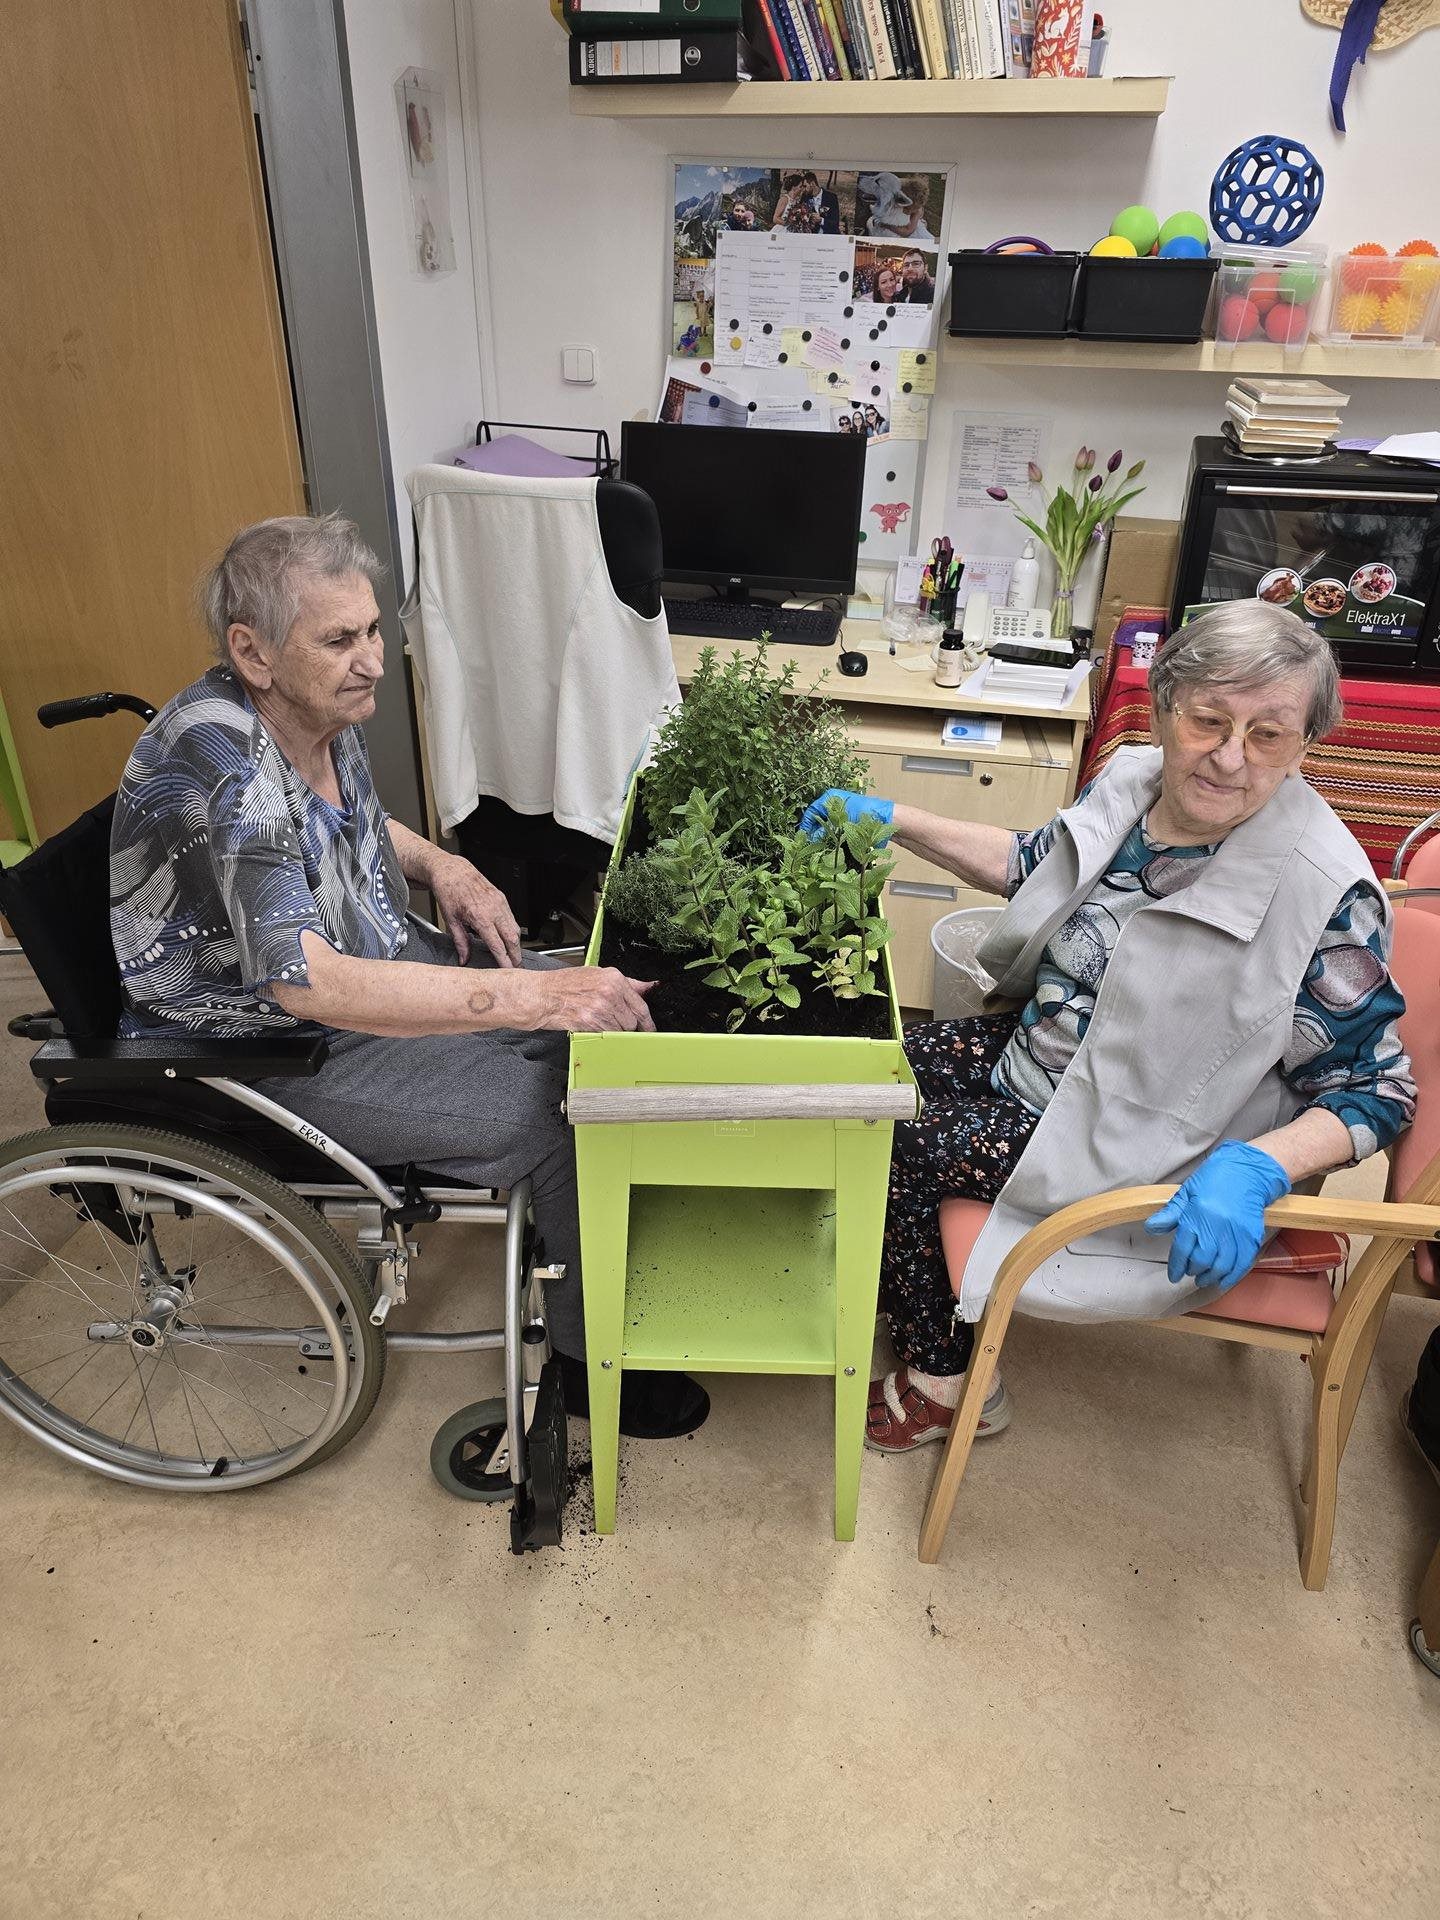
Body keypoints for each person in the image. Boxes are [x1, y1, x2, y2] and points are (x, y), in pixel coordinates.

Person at [109, 514, 710, 1440]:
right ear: (252, 652)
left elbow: (347, 823)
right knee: (558, 1106)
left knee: (605, 1011)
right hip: (278, 1044)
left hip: (377, 960)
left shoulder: (314, 711)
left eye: (373, 630)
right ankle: (593, 1365)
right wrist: (531, 998)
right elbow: (306, 983)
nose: (372, 661)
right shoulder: (226, 767)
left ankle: (609, 1246)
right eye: (338, 640)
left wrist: (443, 865)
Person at [801, 604, 1415, 1452]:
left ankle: (950, 1384)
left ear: (1304, 744)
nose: (1230, 757)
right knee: (875, 1066)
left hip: (1141, 1139)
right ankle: (912, 1272)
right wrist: (895, 818)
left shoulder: (1328, 898)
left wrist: (1257, 1168)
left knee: (904, 1144)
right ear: (1162, 707)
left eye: (1269, 734)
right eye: (1208, 720)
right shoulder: (1133, 780)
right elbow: (1039, 865)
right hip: (1051, 1055)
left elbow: (1379, 1090)